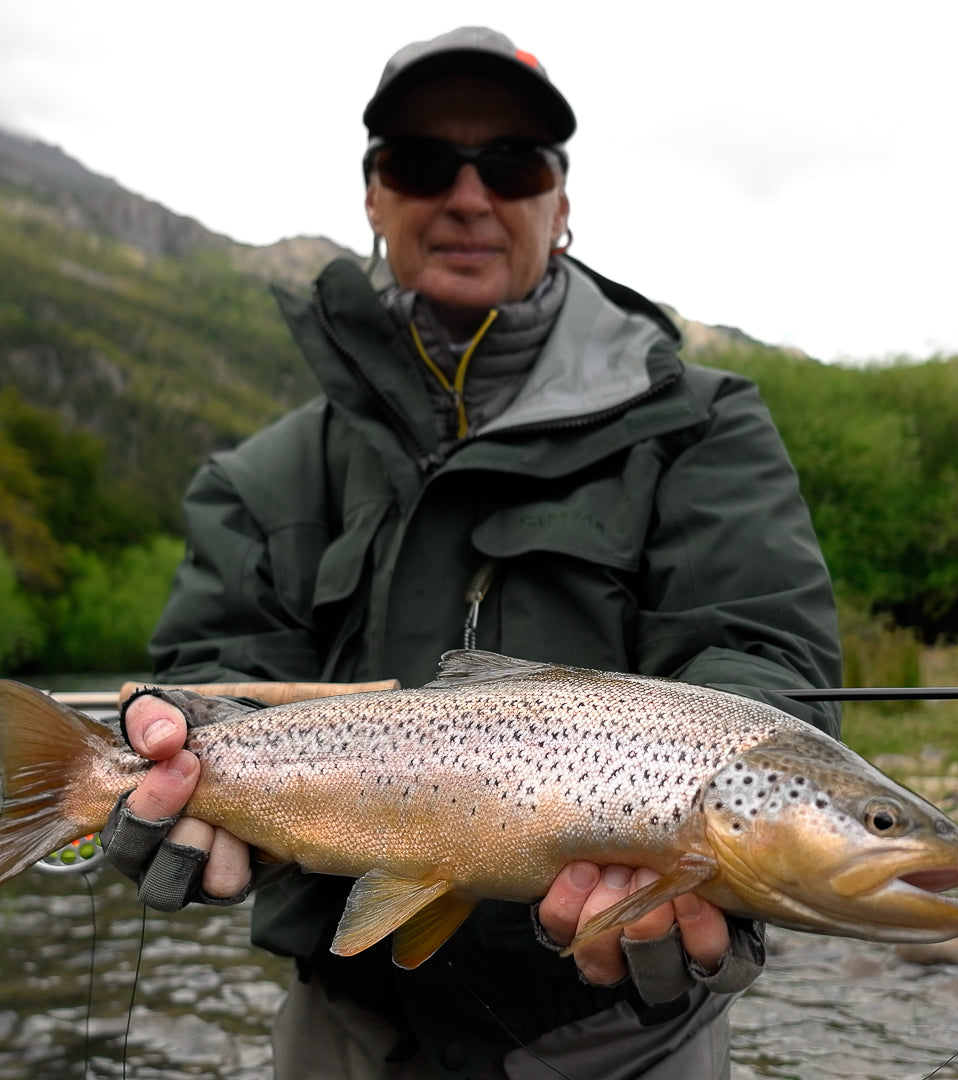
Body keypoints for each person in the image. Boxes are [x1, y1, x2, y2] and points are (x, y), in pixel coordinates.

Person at [101, 26, 842, 1080]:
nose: (465, 194)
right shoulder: (259, 477)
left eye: (510, 164)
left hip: (618, 1029)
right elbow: (200, 681)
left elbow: (760, 657)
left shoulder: (700, 427)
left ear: (561, 201)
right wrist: (162, 761)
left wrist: (737, 824)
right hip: (344, 1022)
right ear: (371, 196)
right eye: (419, 162)